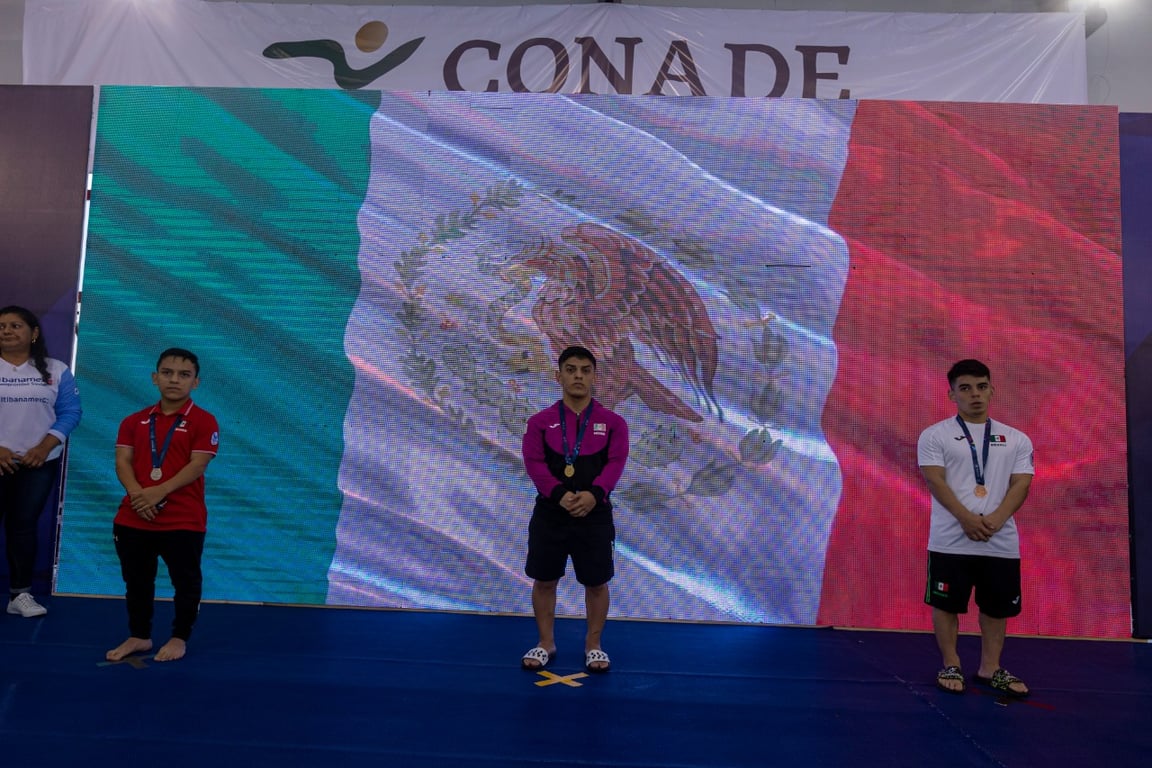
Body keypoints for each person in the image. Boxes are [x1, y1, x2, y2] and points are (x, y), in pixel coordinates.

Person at [917, 359, 1034, 698]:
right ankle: (951, 663)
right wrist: (966, 518)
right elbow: (935, 481)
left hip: (1000, 540)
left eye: (981, 387)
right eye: (965, 388)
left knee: (997, 607)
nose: (975, 395)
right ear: (951, 394)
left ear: (992, 390)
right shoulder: (934, 435)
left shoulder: (1016, 439)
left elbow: (1022, 484)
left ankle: (990, 668)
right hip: (950, 538)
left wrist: (996, 519)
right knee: (947, 605)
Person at [520, 345, 629, 674]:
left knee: (596, 583)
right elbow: (534, 463)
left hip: (594, 516)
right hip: (551, 514)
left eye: (585, 370)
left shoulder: (613, 423)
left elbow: (616, 462)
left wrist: (595, 495)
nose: (578, 375)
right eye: (571, 369)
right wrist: (558, 494)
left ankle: (593, 646)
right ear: (559, 376)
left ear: (595, 377)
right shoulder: (540, 422)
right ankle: (545, 643)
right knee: (544, 580)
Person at [106, 348, 219, 663]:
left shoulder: (204, 420)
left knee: (185, 582)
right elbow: (122, 461)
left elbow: (197, 465)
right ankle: (139, 636)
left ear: (195, 382)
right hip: (133, 517)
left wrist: (158, 492)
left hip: (183, 520)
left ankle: (179, 638)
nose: (174, 380)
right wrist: (138, 496)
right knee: (137, 581)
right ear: (155, 378)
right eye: (167, 373)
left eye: (184, 375)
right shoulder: (134, 420)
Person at [0, 306, 82, 617]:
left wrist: (43, 447)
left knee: (24, 527)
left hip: (38, 463)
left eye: (15, 325)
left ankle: (19, 596)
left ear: (33, 333)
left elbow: (71, 412)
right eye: (2, 326)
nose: (7, 331)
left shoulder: (55, 369)